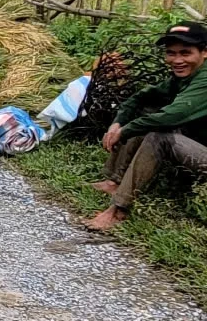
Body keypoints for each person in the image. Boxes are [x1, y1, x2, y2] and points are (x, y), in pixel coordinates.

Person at [85, 21, 207, 231]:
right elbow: (140, 98)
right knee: (148, 112)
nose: (177, 60)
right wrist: (118, 122)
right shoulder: (184, 77)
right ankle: (115, 182)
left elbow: (172, 116)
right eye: (171, 53)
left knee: (159, 136)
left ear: (204, 52)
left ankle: (119, 210)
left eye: (185, 53)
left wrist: (126, 130)